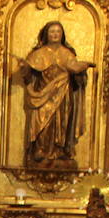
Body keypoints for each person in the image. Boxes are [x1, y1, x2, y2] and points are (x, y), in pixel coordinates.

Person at [21, 21, 93, 167]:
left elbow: (76, 73)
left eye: (58, 31)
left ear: (62, 35)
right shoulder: (38, 54)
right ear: (46, 34)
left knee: (62, 122)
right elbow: (28, 75)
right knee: (43, 121)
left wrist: (82, 70)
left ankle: (59, 150)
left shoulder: (67, 53)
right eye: (52, 31)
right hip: (43, 95)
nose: (55, 34)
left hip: (64, 95)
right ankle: (40, 150)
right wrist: (25, 68)